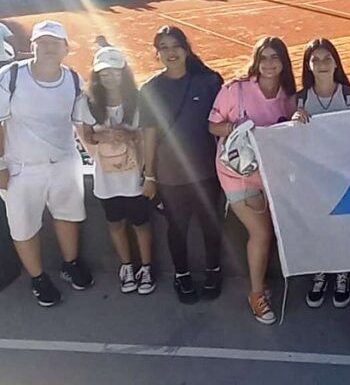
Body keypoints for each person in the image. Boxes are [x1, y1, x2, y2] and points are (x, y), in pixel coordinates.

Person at [0, 20, 93, 307]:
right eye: (43, 42)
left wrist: (103, 155)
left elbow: (82, 126)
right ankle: (38, 278)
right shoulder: (10, 77)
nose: (49, 47)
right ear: (33, 46)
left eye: (55, 42)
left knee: (68, 215)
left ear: (66, 48)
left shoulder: (74, 80)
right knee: (24, 227)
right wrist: (0, 165)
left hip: (65, 162)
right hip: (21, 168)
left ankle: (71, 263)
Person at [209, 37, 295, 323]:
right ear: (256, 61)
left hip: (273, 175)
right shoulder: (235, 90)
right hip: (237, 176)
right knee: (261, 233)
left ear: (284, 63)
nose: (269, 64)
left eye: (276, 58)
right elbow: (212, 125)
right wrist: (235, 127)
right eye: (264, 58)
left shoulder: (291, 96)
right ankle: (257, 294)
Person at [139, 26, 224, 305]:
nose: (170, 52)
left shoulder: (210, 81)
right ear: (157, 54)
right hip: (170, 176)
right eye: (163, 47)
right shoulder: (151, 89)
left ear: (186, 49)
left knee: (211, 226)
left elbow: (223, 119)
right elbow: (149, 135)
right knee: (177, 228)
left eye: (175, 46)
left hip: (207, 171)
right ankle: (182, 275)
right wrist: (150, 175)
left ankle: (214, 270)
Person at [292, 38, 350, 310]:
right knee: (317, 226)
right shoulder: (299, 100)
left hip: (345, 176)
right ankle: (321, 270)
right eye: (316, 60)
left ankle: (342, 272)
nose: (322, 64)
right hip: (313, 178)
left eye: (327, 59)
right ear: (308, 66)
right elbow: (290, 143)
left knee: (342, 228)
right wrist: (293, 124)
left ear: (336, 62)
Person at [80, 47, 155, 296]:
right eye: (104, 74)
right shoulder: (88, 102)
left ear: (124, 73)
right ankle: (127, 267)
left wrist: (130, 134)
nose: (110, 78)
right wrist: (104, 134)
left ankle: (146, 267)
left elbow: (149, 134)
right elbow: (88, 135)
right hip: (106, 177)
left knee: (141, 223)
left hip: (134, 175)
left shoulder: (139, 98)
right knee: (116, 224)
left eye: (115, 72)